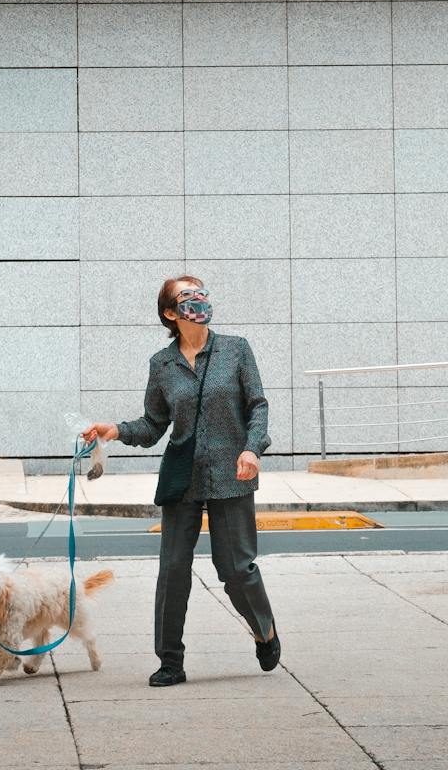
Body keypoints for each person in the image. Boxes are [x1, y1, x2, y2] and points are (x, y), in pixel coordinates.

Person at [82, 275, 279, 688]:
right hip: (181, 477)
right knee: (173, 569)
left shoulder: (237, 349)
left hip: (233, 471)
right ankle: (170, 661)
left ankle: (265, 631)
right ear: (171, 312)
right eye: (187, 296)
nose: (199, 300)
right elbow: (153, 424)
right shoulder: (162, 364)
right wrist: (114, 430)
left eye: (202, 293)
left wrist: (252, 449)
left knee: (237, 569)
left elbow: (257, 406)